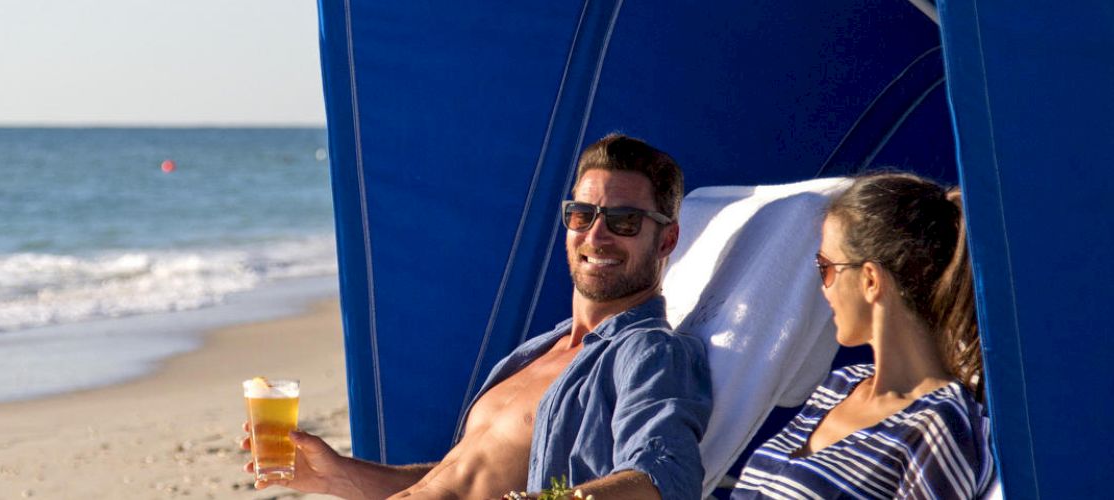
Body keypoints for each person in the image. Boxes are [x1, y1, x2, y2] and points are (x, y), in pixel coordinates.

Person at [244, 133, 713, 500]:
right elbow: (461, 482)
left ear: (667, 241)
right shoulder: (537, 353)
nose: (597, 235)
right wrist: (340, 476)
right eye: (581, 214)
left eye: (624, 221)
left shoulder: (650, 352)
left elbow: (664, 479)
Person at [730, 172, 991, 499]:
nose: (822, 287)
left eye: (824, 267)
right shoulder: (839, 385)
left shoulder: (939, 425)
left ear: (870, 280)